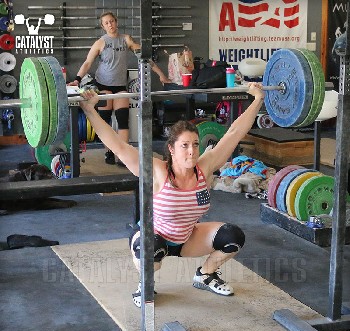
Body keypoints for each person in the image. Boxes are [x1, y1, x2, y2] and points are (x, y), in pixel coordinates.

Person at [79, 82, 265, 307]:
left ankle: (205, 275)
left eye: (195, 145)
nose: (192, 151)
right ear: (171, 149)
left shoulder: (204, 167)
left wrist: (257, 100)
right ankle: (145, 284)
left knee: (233, 237)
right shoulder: (158, 170)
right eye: (185, 145)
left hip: (187, 238)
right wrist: (90, 110)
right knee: (152, 250)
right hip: (153, 236)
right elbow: (118, 147)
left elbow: (234, 133)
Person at [69, 11, 171, 165]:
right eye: (106, 23)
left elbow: (144, 57)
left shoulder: (126, 40)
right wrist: (77, 80)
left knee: (123, 120)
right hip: (102, 85)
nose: (110, 25)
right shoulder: (100, 42)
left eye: (112, 21)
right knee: (105, 121)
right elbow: (87, 63)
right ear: (103, 27)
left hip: (120, 87)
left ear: (116, 22)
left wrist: (161, 75)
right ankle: (109, 152)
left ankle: (124, 155)